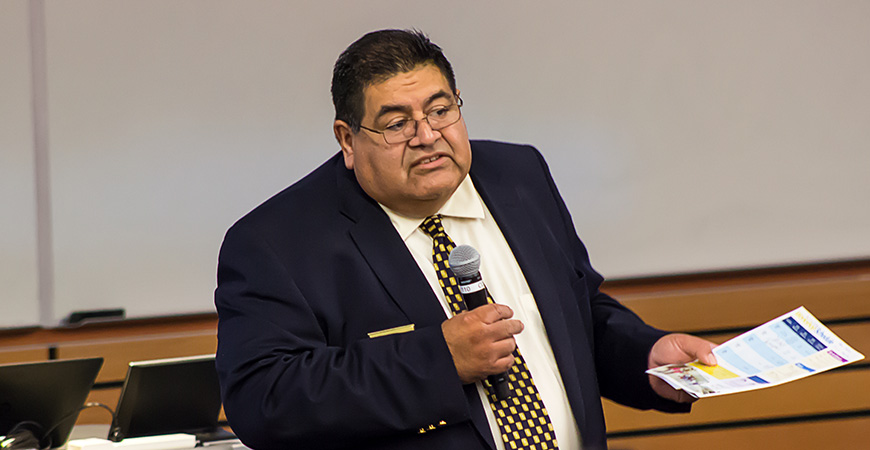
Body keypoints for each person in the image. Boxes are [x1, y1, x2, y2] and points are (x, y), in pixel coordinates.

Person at [214, 29, 717, 450]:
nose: (427, 135)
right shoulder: (275, 243)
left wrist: (645, 357)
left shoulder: (519, 175)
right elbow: (264, 400)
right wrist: (437, 360)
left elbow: (575, 310)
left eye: (440, 110)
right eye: (396, 124)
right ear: (348, 139)